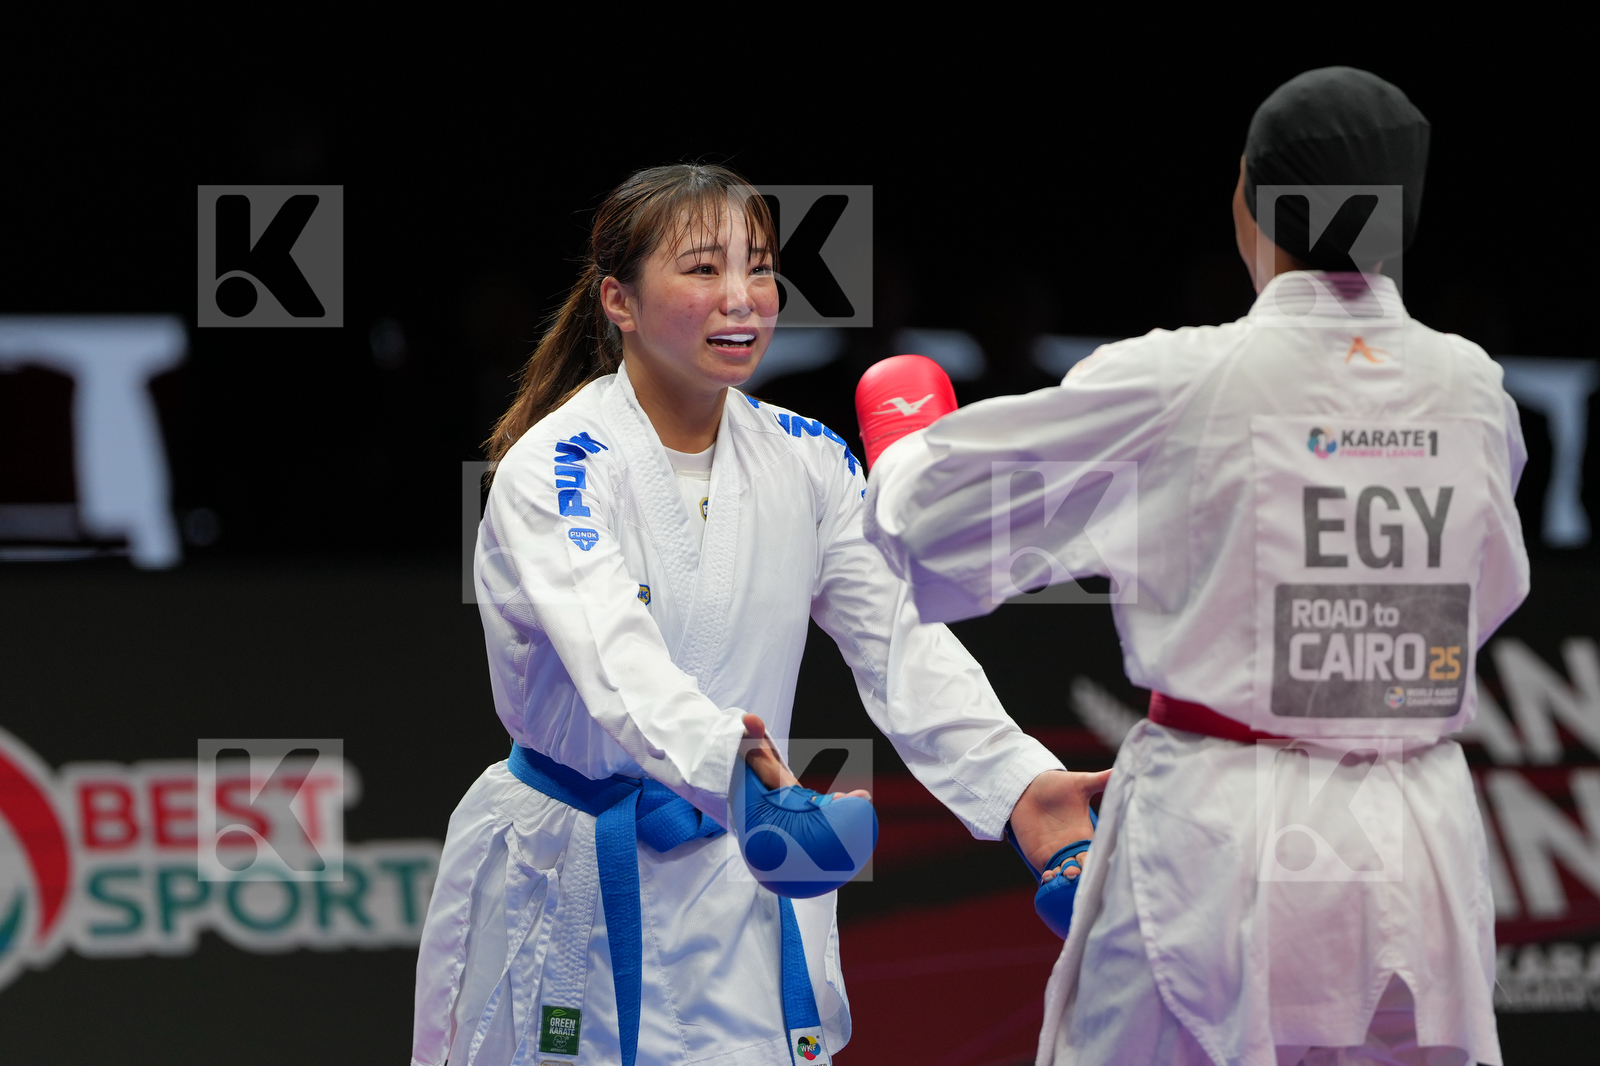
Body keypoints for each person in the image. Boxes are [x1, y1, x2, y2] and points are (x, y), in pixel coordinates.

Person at [862, 68, 1527, 1066]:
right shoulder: (1474, 387)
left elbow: (935, 527)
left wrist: (903, 435)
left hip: (1227, 827)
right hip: (1419, 828)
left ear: (1251, 199)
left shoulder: (1181, 377)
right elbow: (1490, 591)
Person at [409, 163, 1106, 1066]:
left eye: (761, 268)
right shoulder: (557, 468)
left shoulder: (807, 459)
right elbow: (619, 659)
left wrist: (1023, 788)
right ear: (618, 301)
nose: (742, 298)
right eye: (703, 269)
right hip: (573, 877)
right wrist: (735, 769)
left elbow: (902, 647)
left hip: (745, 877)